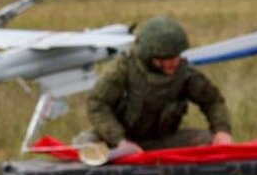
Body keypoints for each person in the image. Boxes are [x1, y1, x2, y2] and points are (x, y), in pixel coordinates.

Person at [76, 16, 233, 152]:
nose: (172, 64)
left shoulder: (185, 74)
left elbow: (212, 101)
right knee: (85, 143)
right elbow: (97, 103)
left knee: (208, 141)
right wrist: (119, 141)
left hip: (163, 142)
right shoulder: (123, 69)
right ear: (149, 55)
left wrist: (222, 131)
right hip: (120, 142)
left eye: (175, 57)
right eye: (164, 59)